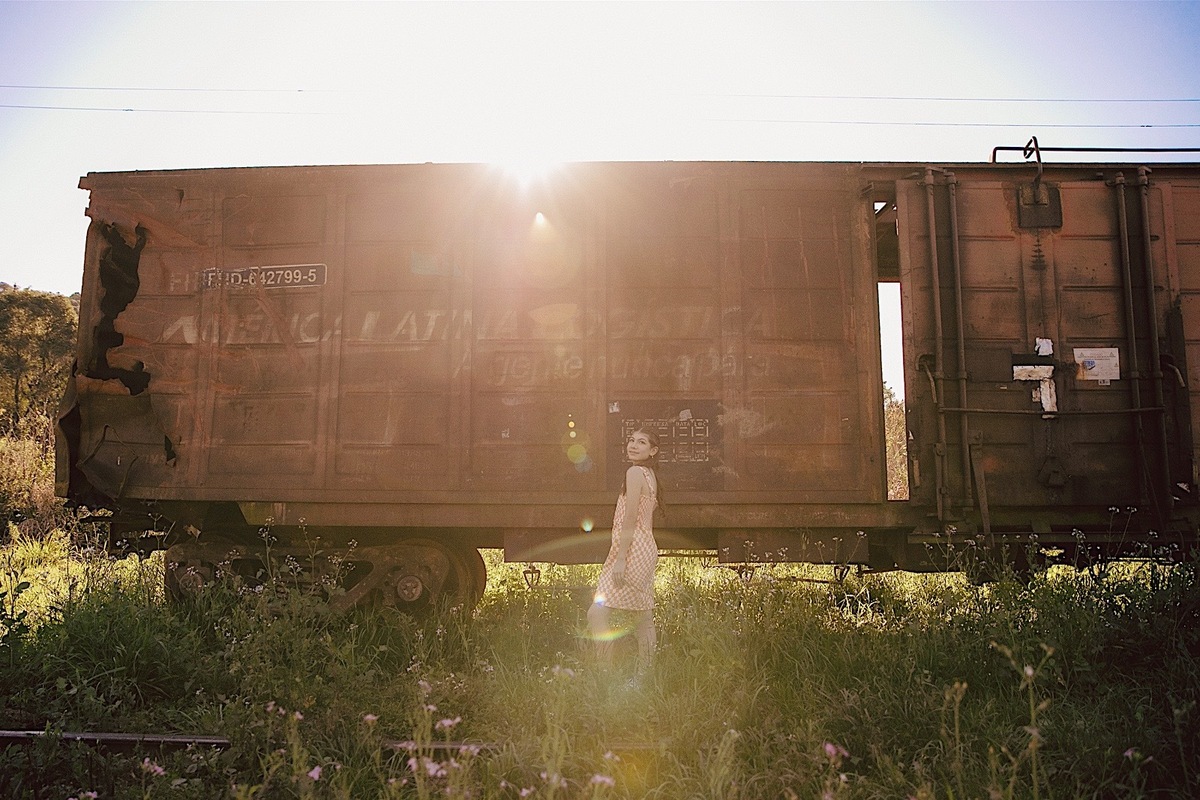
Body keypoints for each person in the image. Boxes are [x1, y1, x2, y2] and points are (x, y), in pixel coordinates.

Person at [587, 427, 663, 683]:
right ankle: (645, 675)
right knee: (642, 616)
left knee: (597, 613)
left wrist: (620, 558)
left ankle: (604, 674)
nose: (633, 445)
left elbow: (630, 517)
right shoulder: (649, 474)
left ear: (653, 451)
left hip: (632, 549)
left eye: (641, 442)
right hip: (645, 546)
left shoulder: (634, 472)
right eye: (631, 440)